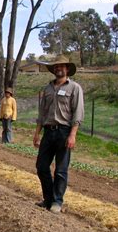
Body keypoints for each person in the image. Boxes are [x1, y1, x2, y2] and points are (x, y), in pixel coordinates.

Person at [33, 54, 84, 214]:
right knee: (41, 167)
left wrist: (72, 135)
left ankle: (57, 202)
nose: (58, 68)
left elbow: (78, 113)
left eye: (61, 66)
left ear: (67, 69)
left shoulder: (74, 88)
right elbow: (42, 113)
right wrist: (37, 134)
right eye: (56, 66)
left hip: (64, 132)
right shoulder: (47, 89)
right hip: (48, 132)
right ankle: (48, 199)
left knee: (61, 170)